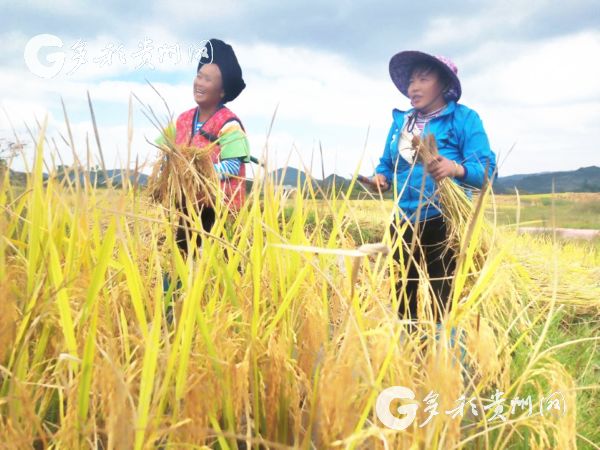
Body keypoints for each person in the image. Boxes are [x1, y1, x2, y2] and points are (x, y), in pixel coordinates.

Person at [369, 50, 497, 325]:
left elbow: (488, 171)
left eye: (423, 79)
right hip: (403, 220)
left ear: (443, 84)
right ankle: (409, 352)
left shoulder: (464, 119)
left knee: (444, 298)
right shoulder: (401, 123)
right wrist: (380, 179)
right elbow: (386, 164)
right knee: (402, 293)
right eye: (411, 81)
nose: (413, 87)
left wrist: (456, 169)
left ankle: (444, 357)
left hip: (444, 220)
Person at [171, 38, 251, 256]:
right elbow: (168, 153)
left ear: (222, 91)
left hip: (220, 209)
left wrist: (198, 174)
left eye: (207, 79)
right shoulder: (183, 120)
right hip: (189, 205)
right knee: (182, 256)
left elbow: (232, 167)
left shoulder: (230, 124)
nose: (199, 83)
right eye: (199, 76)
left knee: (224, 262)